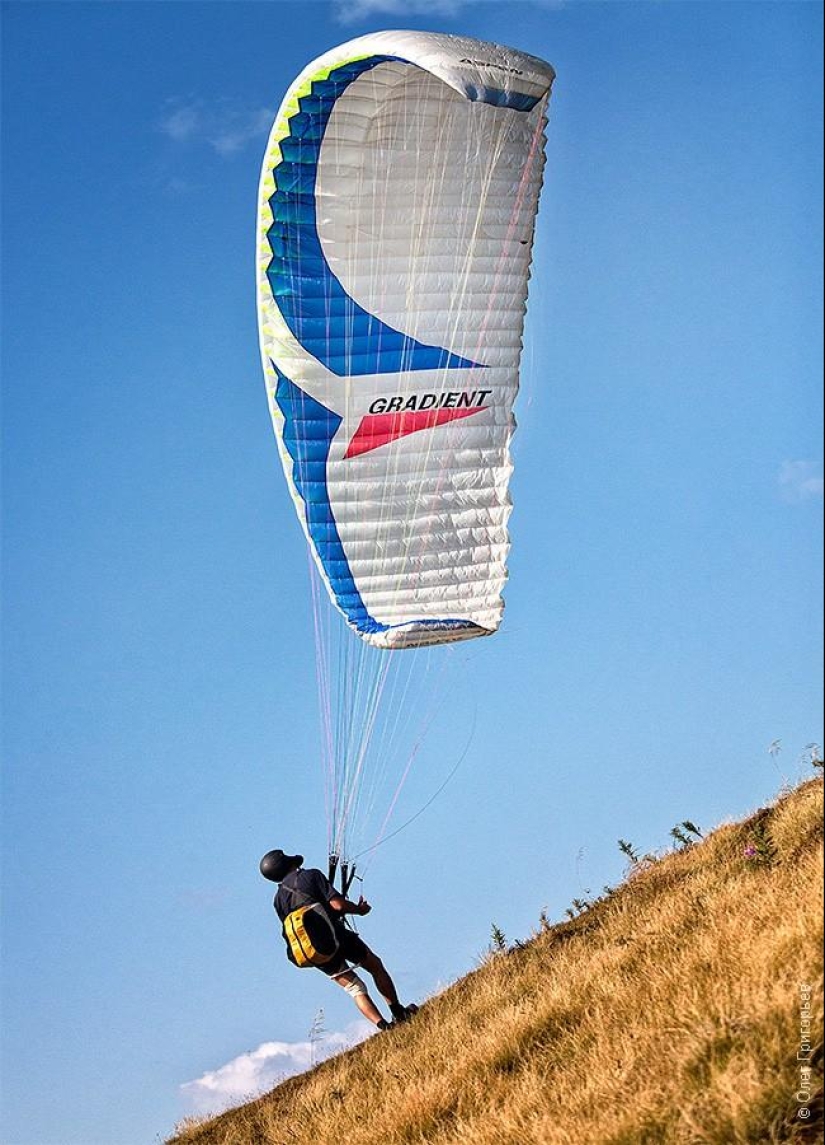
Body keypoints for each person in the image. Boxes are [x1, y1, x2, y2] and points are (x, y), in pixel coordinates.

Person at [260, 849, 418, 1031]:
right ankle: (399, 1013)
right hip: (338, 936)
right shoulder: (310, 876)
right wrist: (359, 910)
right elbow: (337, 905)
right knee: (375, 966)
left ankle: (384, 1027)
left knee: (355, 988)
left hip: (314, 951)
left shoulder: (278, 900)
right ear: (287, 863)